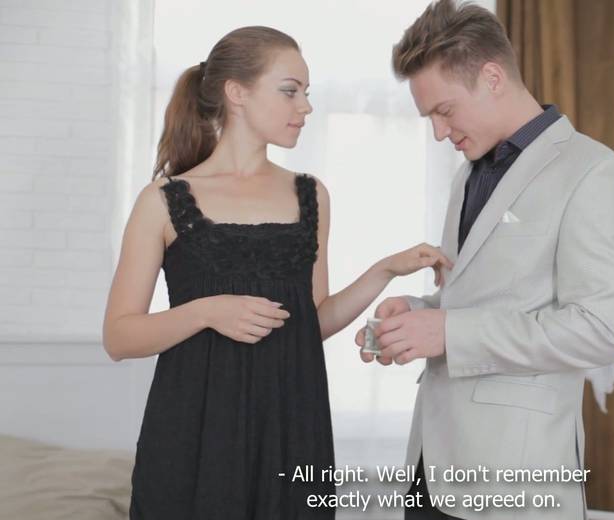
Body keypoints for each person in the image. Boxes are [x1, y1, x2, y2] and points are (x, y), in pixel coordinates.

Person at [102, 26, 450, 519]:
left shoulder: (311, 195)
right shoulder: (162, 200)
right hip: (194, 432)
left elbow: (312, 321)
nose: (305, 106)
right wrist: (207, 312)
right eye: (290, 91)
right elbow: (119, 337)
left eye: (307, 92)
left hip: (291, 426)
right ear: (237, 93)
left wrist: (384, 271)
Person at [355, 1, 614, 519]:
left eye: (444, 111)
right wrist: (419, 312)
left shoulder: (596, 173)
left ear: (491, 77)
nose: (439, 132)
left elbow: (597, 331)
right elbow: (477, 297)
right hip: (430, 466)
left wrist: (448, 332)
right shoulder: (468, 173)